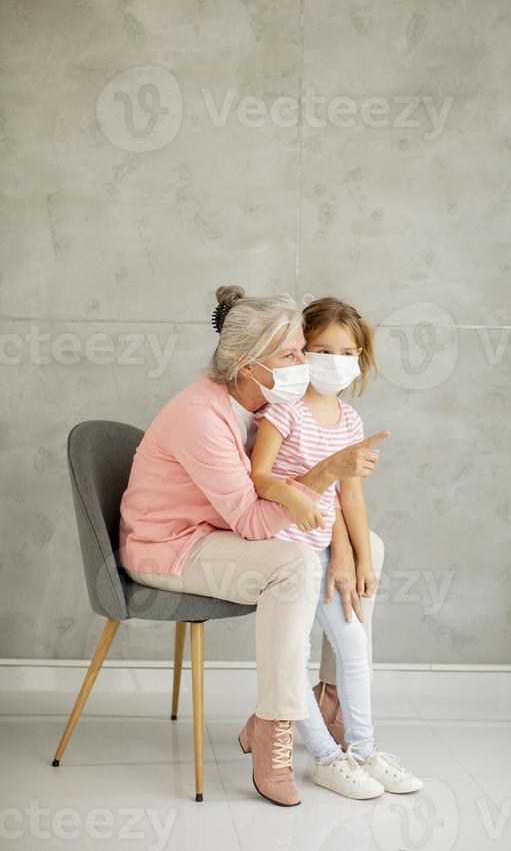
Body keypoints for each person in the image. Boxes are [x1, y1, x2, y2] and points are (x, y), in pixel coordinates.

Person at [118, 285, 389, 807]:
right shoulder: (203, 415)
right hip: (170, 547)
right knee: (292, 564)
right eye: (291, 354)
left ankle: (331, 699)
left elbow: (303, 498)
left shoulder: (265, 402)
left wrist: (348, 546)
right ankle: (274, 726)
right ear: (247, 364)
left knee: (366, 545)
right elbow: (253, 518)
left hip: (217, 534)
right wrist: (328, 473)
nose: (302, 363)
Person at [244, 296, 422, 800]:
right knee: (293, 658)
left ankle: (363, 750)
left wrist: (362, 558)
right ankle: (326, 757)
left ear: (360, 357)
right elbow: (259, 478)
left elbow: (351, 497)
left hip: (321, 550)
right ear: (303, 348)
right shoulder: (283, 412)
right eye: (322, 349)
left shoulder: (348, 420)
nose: (336, 361)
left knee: (355, 644)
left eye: (348, 352)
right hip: (284, 554)